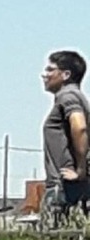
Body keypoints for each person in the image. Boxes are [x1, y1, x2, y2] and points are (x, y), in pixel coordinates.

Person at [40, 50, 90, 225]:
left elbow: (80, 127)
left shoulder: (67, 97)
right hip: (70, 187)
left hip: (63, 188)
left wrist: (81, 170)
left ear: (65, 75)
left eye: (50, 70)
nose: (44, 75)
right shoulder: (74, 97)